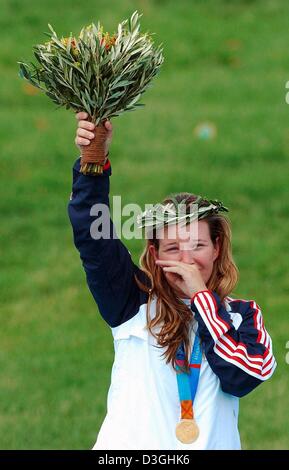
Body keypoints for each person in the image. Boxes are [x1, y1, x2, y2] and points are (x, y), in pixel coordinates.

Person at [67, 112, 277, 450]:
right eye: (173, 247)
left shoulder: (242, 316)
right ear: (154, 252)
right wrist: (94, 161)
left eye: (197, 245)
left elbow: (244, 376)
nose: (186, 259)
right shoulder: (131, 301)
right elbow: (93, 236)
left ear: (217, 247)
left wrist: (202, 299)